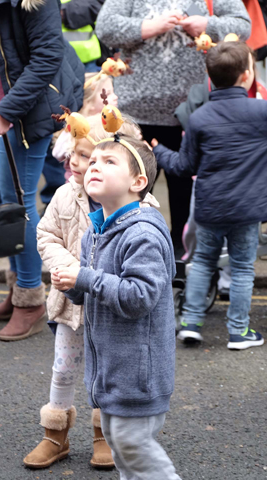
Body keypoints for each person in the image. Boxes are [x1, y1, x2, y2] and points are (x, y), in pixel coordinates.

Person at [26, 112, 159, 470]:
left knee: (106, 372)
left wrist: (84, 273)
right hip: (71, 306)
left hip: (111, 310)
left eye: (89, 156)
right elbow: (46, 234)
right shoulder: (66, 195)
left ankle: (102, 435)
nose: (77, 162)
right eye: (78, 153)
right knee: (64, 369)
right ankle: (55, 435)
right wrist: (65, 265)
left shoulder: (141, 208)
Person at [0, 0, 84, 342]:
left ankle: (31, 299)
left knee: (17, 206)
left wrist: (6, 111)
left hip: (23, 114)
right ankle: (18, 286)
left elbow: (46, 58)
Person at [53, 133, 179, 479]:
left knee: (133, 447)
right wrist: (73, 286)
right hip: (110, 373)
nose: (95, 166)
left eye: (110, 162)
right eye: (93, 160)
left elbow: (139, 297)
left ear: (138, 183)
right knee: (123, 448)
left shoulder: (143, 234)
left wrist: (85, 279)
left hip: (137, 375)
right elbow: (93, 291)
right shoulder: (94, 232)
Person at [154, 41, 267, 348]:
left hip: (210, 204)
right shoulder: (263, 111)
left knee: (202, 262)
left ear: (209, 76)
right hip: (248, 207)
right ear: (247, 75)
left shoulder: (200, 117)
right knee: (241, 267)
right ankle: (239, 332)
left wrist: (158, 150)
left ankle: (190, 324)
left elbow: (184, 165)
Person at [95, 0, 250, 257]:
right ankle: (129, 258)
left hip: (191, 114)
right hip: (134, 117)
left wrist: (207, 25)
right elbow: (105, 27)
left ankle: (182, 262)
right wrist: (148, 27)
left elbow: (243, 27)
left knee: (185, 199)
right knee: (131, 197)